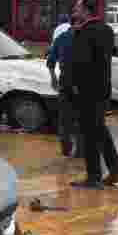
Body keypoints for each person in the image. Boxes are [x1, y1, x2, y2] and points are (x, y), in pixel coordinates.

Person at [69, 0, 118, 188]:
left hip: (87, 91)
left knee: (90, 134)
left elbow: (81, 64)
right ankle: (116, 170)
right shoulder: (106, 30)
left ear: (86, 11)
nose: (74, 12)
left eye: (77, 9)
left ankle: (94, 177)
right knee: (99, 131)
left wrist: (74, 86)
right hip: (102, 90)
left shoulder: (84, 32)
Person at [47, 12, 78, 158]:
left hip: (64, 82)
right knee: (80, 118)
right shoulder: (84, 39)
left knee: (65, 119)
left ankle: (66, 150)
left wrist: (53, 78)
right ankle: (80, 151)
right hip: (81, 84)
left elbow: (51, 61)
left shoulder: (61, 37)